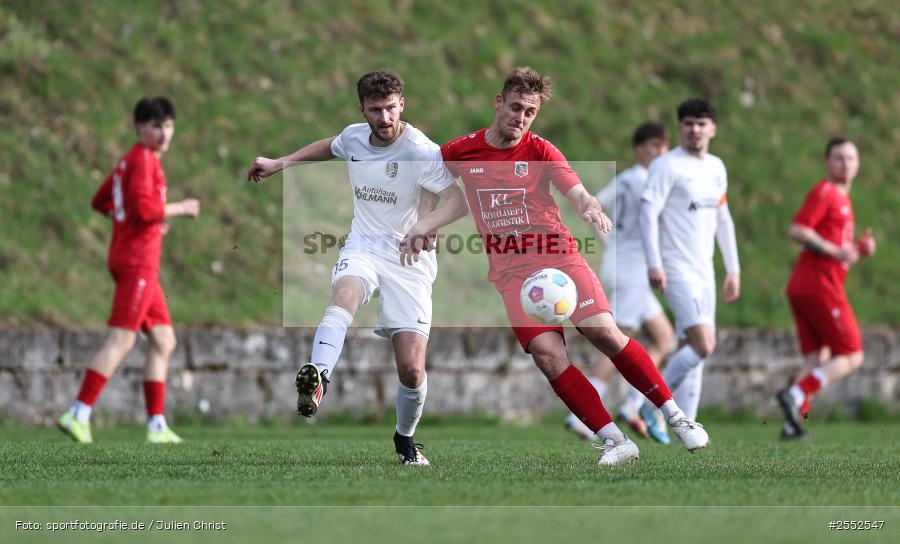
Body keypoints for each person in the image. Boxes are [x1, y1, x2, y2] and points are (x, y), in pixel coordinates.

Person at [437, 67, 708, 466]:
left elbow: (579, 193)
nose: (521, 118)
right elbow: (425, 179)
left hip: (558, 258)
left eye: (530, 112)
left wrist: (592, 210)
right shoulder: (460, 151)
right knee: (548, 357)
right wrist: (421, 224)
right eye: (515, 108)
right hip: (512, 275)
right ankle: (615, 441)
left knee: (605, 334)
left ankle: (677, 416)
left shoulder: (541, 150)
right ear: (498, 102)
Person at [247, 70, 468, 465]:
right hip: (364, 245)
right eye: (375, 110)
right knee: (345, 293)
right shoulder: (354, 137)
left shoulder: (420, 149)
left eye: (390, 108)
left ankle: (405, 440)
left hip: (409, 258)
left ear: (402, 104)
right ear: (363, 110)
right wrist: (280, 163)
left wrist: (425, 224)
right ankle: (319, 377)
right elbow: (329, 147)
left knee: (412, 370)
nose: (384, 117)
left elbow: (457, 200)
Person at [58, 97, 200, 444]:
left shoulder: (133, 160)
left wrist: (132, 220)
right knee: (122, 339)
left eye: (167, 125)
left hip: (138, 261)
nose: (163, 133)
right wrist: (179, 208)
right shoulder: (142, 160)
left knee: (164, 340)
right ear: (140, 128)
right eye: (155, 126)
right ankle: (79, 412)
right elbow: (144, 208)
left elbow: (102, 201)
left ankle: (156, 426)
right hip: (136, 261)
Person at [564, 122, 676, 444]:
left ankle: (633, 403)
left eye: (664, 146)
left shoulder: (626, 178)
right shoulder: (646, 181)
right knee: (617, 344)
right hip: (630, 273)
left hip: (628, 269)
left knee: (664, 337)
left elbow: (591, 205)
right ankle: (580, 415)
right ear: (639, 148)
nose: (660, 152)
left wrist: (609, 241)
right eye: (654, 146)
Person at [638, 99, 740, 427]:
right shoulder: (666, 166)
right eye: (688, 123)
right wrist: (654, 263)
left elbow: (723, 218)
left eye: (701, 123)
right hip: (675, 268)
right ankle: (652, 405)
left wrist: (733, 268)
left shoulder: (716, 167)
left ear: (713, 129)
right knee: (703, 344)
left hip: (705, 272)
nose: (695, 130)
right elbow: (648, 213)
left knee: (690, 348)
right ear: (680, 127)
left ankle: (688, 424)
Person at [777, 137, 875, 439]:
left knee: (817, 359)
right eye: (839, 158)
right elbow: (798, 230)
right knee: (852, 354)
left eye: (851, 158)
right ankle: (796, 394)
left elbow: (837, 249)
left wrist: (858, 248)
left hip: (805, 286)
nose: (845, 164)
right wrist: (836, 251)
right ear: (826, 162)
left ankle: (793, 423)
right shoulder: (827, 192)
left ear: (858, 163)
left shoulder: (843, 199)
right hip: (820, 286)